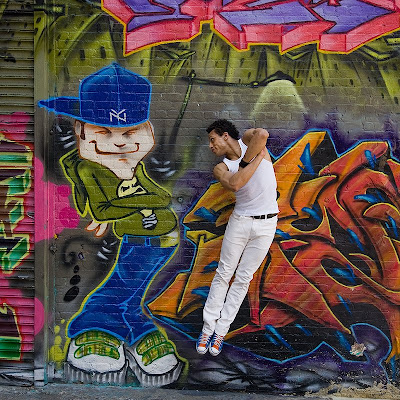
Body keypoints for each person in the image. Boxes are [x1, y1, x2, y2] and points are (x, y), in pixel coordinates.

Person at [39, 63, 182, 386]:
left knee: (132, 291)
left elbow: (160, 196)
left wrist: (144, 201)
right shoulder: (90, 169)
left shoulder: (131, 167)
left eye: (129, 133)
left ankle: (130, 326)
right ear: (81, 132)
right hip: (140, 239)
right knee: (123, 286)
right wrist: (143, 205)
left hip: (160, 242)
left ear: (148, 131)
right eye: (104, 132)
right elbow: (105, 208)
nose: (119, 143)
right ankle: (94, 326)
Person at [196, 119, 279, 356]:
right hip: (240, 222)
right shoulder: (221, 168)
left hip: (267, 223)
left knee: (243, 279)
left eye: (212, 139)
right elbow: (236, 184)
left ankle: (221, 331)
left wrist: (245, 161)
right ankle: (207, 328)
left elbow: (262, 133)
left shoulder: (248, 141)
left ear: (225, 135)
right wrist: (256, 159)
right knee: (224, 273)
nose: (210, 146)